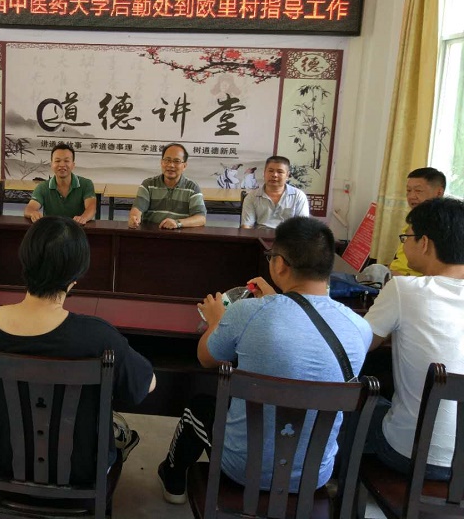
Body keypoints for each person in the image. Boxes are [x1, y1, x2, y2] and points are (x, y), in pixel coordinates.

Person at [157, 217, 371, 504]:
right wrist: (278, 299)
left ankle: (173, 480)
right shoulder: (360, 328)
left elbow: (206, 358)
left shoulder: (247, 312)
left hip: (243, 470)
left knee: (198, 407)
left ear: (280, 264)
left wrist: (216, 320)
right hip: (314, 475)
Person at [0, 216, 156, 484]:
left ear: (24, 261)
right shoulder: (99, 337)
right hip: (82, 476)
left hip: (3, 466)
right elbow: (144, 386)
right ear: (76, 276)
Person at [365, 197, 464, 480]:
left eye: (406, 237)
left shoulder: (404, 289)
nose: (404, 245)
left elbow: (358, 345)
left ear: (424, 243)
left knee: (358, 406)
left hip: (414, 457)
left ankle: (343, 495)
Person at [128, 143, 207, 230]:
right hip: (151, 234)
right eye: (167, 160)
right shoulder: (148, 184)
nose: (171, 165)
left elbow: (201, 218)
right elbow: (137, 208)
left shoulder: (192, 188)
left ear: (184, 166)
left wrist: (177, 223)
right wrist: (134, 218)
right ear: (161, 162)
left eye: (176, 161)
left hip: (179, 235)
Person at [389, 167, 446, 276]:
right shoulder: (415, 218)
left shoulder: (443, 225)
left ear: (439, 192)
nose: (411, 196)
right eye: (408, 190)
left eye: (418, 191)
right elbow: (399, 258)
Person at [24, 143, 96, 225]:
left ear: (73, 165)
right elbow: (29, 208)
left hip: (77, 229)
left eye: (66, 161)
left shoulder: (86, 184)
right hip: (51, 230)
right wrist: (33, 213)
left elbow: (91, 208)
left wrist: (83, 218)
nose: (62, 165)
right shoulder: (43, 187)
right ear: (51, 165)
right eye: (57, 161)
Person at [240, 155, 309, 229]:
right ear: (264, 173)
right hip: (260, 235)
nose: (274, 175)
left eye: (280, 172)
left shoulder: (298, 196)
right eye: (270, 171)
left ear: (287, 175)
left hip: (288, 235)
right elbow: (246, 226)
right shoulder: (252, 197)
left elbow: (303, 226)